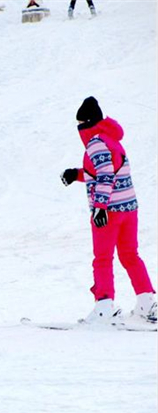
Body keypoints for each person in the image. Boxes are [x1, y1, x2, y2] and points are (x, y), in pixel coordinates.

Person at [61, 97, 155, 323]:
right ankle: (147, 303)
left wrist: (100, 207)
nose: (79, 127)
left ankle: (103, 308)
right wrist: (76, 174)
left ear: (88, 122)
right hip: (129, 208)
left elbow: (104, 177)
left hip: (110, 210)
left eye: (81, 122)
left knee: (102, 258)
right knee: (130, 255)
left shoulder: (95, 143)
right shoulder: (111, 139)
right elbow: (106, 172)